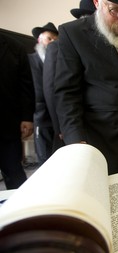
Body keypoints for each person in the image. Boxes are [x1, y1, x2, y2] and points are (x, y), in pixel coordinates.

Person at [54, 0, 118, 175]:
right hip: (97, 132)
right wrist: (75, 138)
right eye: (114, 10)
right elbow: (67, 92)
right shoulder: (73, 33)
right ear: (97, 3)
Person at [43, 0, 97, 152]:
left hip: (94, 127)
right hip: (70, 126)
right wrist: (63, 127)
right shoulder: (58, 46)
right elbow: (52, 89)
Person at [0, 33, 35, 189]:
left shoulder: (14, 46)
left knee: (14, 172)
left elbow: (25, 86)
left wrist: (27, 117)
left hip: (7, 122)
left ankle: (22, 211)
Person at [29, 22, 58, 166]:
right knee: (45, 160)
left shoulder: (60, 61)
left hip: (58, 118)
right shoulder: (31, 60)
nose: (52, 42)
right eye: (49, 38)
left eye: (55, 39)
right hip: (41, 117)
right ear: (40, 40)